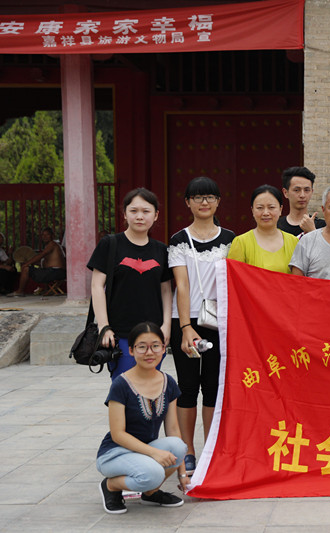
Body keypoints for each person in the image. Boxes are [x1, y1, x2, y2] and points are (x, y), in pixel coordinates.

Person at [167, 177, 235, 477]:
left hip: (218, 322)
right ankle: (188, 450)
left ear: (218, 201)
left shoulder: (231, 239)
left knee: (213, 386)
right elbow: (181, 285)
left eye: (209, 197)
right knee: (187, 386)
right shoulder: (178, 240)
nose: (204, 202)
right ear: (188, 203)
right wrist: (185, 327)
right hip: (187, 321)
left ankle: (210, 448)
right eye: (197, 197)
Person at [96, 322, 188, 514]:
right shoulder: (121, 384)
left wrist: (182, 473)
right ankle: (111, 486)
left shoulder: (168, 382)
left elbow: (173, 429)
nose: (149, 352)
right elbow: (118, 434)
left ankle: (150, 492)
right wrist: (154, 453)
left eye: (155, 346)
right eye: (142, 347)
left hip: (144, 451)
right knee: (152, 473)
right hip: (115, 453)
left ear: (164, 348)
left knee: (178, 446)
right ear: (131, 350)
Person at [88, 188, 173, 379]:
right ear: (125, 214)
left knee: (151, 385)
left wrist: (166, 325)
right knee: (124, 385)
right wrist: (104, 326)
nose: (139, 216)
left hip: (154, 333)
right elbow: (97, 286)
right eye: (133, 211)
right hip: (120, 333)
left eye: (146, 211)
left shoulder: (161, 250)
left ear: (156, 215)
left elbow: (166, 291)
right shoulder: (110, 244)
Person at [228, 185, 299, 272]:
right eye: (260, 208)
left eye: (271, 207)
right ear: (252, 210)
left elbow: (299, 278)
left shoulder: (294, 242)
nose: (265, 213)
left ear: (280, 209)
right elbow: (234, 276)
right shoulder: (241, 243)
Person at [7, 227, 66, 297]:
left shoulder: (52, 244)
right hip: (57, 272)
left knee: (26, 269)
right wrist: (32, 263)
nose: (45, 237)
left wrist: (26, 264)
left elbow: (41, 255)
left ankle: (20, 291)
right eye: (43, 235)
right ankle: (47, 290)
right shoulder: (53, 245)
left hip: (55, 272)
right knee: (39, 269)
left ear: (52, 236)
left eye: (47, 234)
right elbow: (45, 262)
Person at [277, 166, 326, 236]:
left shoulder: (323, 226)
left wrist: (312, 231)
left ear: (312, 192)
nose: (302, 195)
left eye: (307, 190)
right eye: (297, 190)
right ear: (285, 193)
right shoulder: (276, 226)